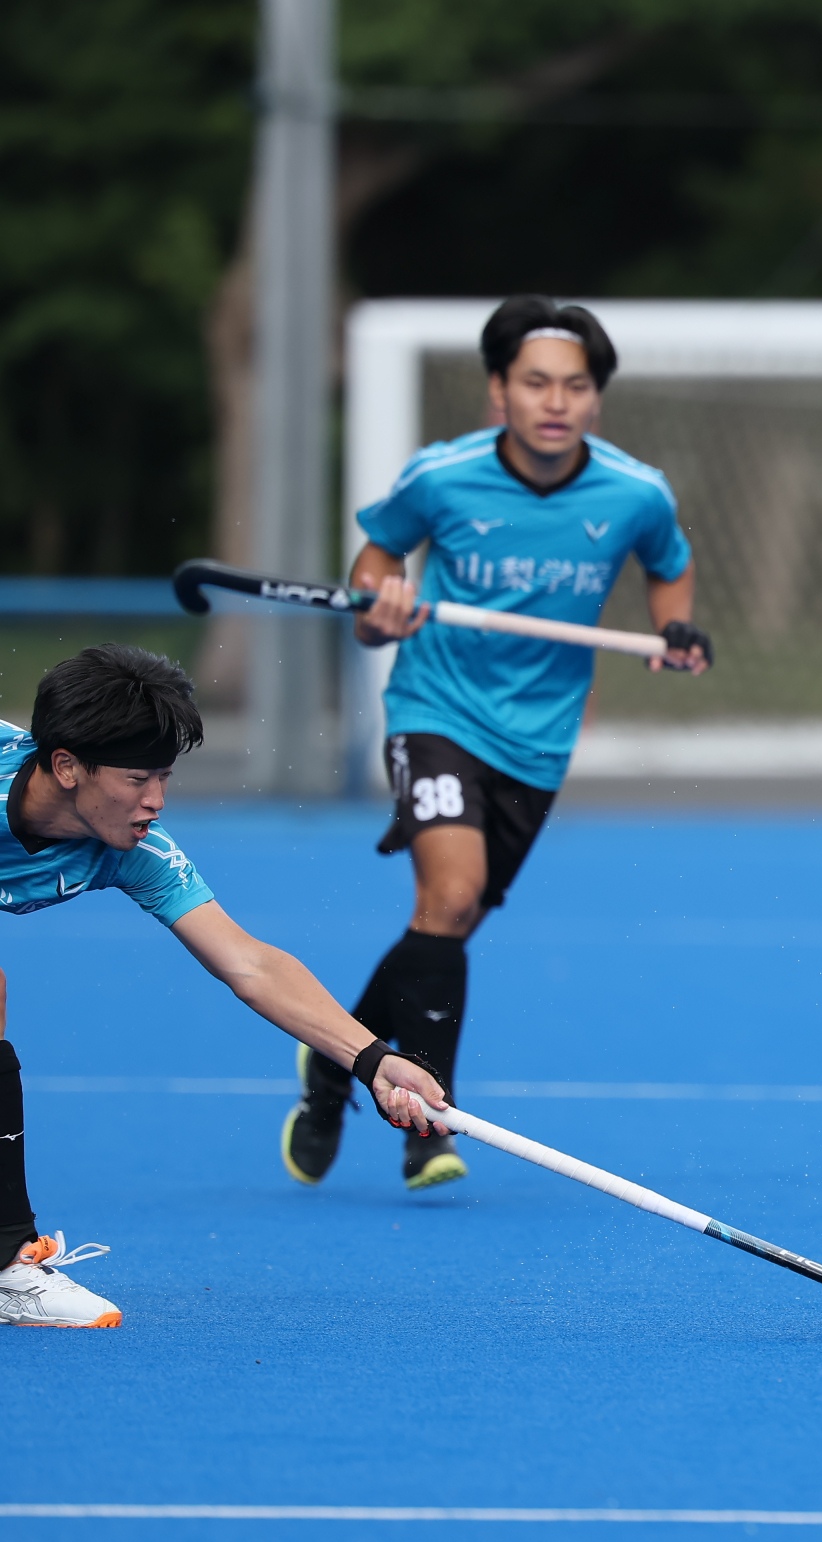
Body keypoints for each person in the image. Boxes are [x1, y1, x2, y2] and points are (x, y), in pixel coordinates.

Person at [279, 294, 711, 1192]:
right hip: (435, 710)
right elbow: (375, 566)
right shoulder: (442, 478)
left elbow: (669, 567)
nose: (556, 402)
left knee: (451, 919)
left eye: (575, 386)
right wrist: (379, 607)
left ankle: (334, 1057)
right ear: (498, 392)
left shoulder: (635, 492)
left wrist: (674, 629)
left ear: (596, 398)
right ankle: (429, 1124)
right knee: (451, 892)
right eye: (536, 383)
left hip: (540, 739)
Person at [1, 647, 449, 1327]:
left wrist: (372, 1060)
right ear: (66, 767)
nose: (156, 801)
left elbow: (250, 964)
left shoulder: (136, 850)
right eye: (136, 779)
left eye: (164, 777)